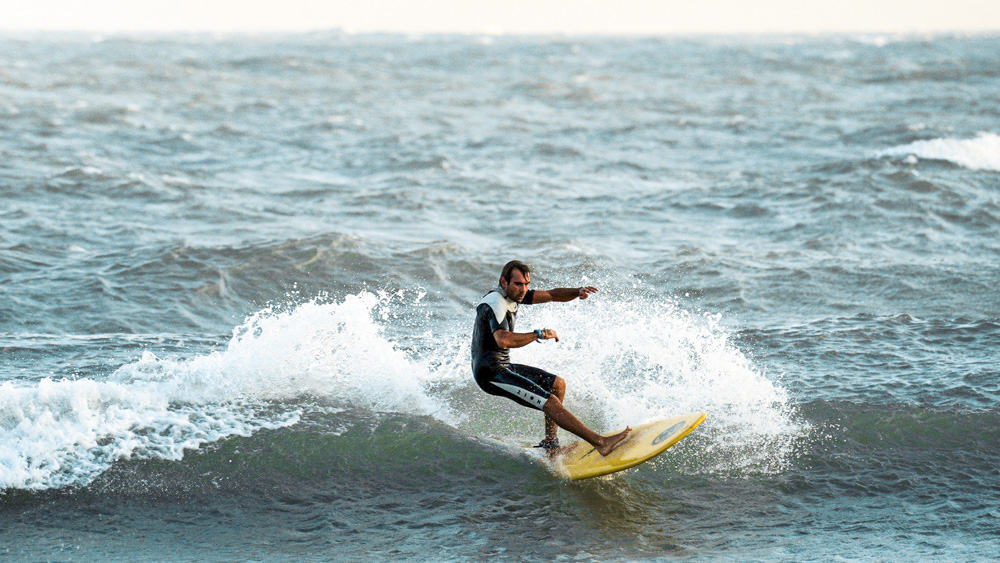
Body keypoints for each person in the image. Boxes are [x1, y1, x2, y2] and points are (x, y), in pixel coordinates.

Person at [471, 260, 630, 456]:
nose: (524, 290)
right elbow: (503, 340)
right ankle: (600, 442)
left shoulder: (514, 295)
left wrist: (577, 291)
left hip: (503, 365)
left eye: (527, 284)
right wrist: (537, 334)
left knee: (557, 385)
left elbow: (552, 295)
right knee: (550, 402)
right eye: (518, 284)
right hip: (490, 373)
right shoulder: (495, 303)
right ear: (503, 282)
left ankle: (550, 444)